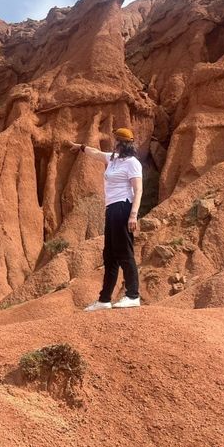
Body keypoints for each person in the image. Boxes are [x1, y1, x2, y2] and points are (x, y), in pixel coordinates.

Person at [68, 127, 143, 310]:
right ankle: (104, 300)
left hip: (123, 207)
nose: (113, 142)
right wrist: (80, 147)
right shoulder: (113, 159)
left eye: (116, 140)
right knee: (109, 255)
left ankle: (133, 295)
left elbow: (138, 190)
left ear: (122, 143)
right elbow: (96, 153)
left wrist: (133, 215)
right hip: (111, 210)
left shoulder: (132, 163)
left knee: (124, 252)